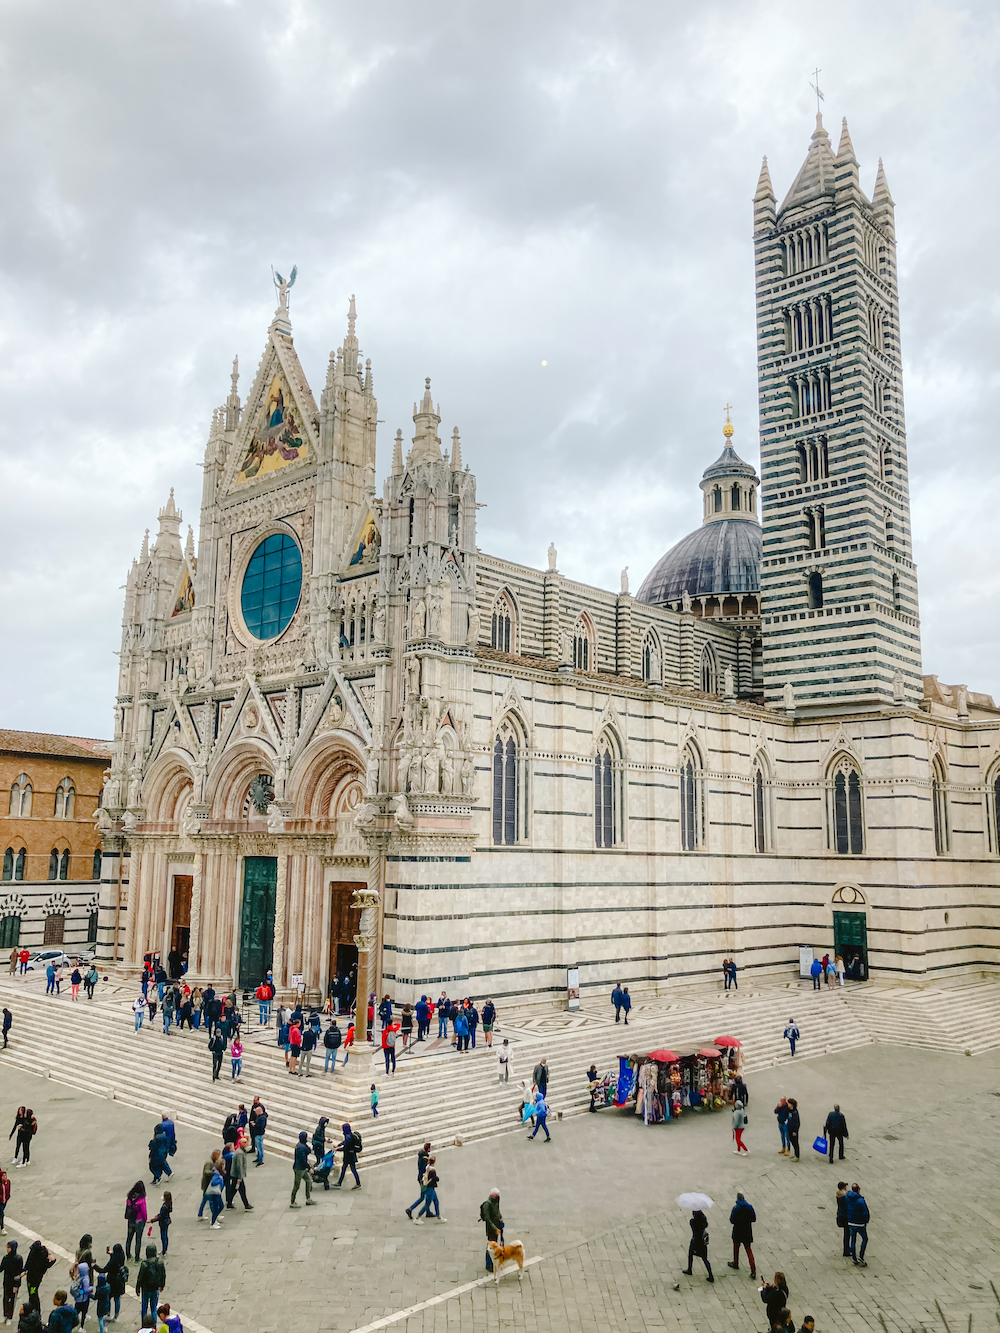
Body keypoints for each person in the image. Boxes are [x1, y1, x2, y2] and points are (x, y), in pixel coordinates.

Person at [727, 1193, 756, 1277]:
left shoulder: (735, 1208)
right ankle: (753, 1270)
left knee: (736, 1248)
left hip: (737, 1232)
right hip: (747, 1232)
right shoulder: (749, 1207)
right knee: (748, 1250)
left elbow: (732, 1220)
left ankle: (735, 1263)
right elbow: (754, 1219)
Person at [134, 1248, 164, 1325]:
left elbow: (140, 1277)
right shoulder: (159, 1262)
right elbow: (163, 1275)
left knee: (144, 1308)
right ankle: (154, 1325)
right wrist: (162, 1285)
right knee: (153, 1308)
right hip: (155, 1288)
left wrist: (137, 1289)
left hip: (146, 1289)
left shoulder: (144, 1264)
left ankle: (144, 1325)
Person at [96, 1247, 126, 1323]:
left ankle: (108, 1313)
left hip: (112, 1282)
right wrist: (111, 1253)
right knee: (117, 1299)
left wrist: (94, 1266)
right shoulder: (122, 1256)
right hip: (119, 1283)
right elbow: (116, 1255)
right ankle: (116, 1316)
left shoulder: (112, 1262)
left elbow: (103, 1270)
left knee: (108, 1297)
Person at [23, 1242, 56, 1313]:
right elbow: (47, 1265)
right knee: (32, 1293)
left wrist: (25, 1269)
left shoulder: (36, 1254)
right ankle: (33, 1306)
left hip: (33, 1279)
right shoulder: (40, 1254)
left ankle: (35, 1308)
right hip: (35, 1278)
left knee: (33, 1293)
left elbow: (29, 1262)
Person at [682, 1209, 713, 1281]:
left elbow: (693, 1229)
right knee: (705, 1259)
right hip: (703, 1243)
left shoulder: (693, 1222)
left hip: (696, 1242)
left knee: (690, 1253)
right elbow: (706, 1224)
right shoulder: (704, 1221)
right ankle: (710, 1275)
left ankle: (690, 1269)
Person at [405, 1144, 432, 1220]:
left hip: (420, 1178)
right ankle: (410, 1209)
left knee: (427, 1195)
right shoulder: (425, 1158)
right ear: (428, 1149)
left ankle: (428, 1211)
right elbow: (425, 1169)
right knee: (423, 1197)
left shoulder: (421, 1156)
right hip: (423, 1179)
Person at [288, 1133, 315, 1209]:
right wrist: (309, 1168)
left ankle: (308, 1199)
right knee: (296, 1185)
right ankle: (292, 1202)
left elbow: (308, 1150)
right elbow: (303, 1159)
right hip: (299, 1169)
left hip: (302, 1168)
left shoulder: (300, 1145)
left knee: (309, 1181)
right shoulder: (301, 1147)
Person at [846, 1182, 870, 1266]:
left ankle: (854, 1258)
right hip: (860, 1223)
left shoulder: (848, 1197)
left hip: (851, 1222)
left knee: (853, 1240)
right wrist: (865, 1221)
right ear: (858, 1190)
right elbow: (865, 1213)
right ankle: (861, 1256)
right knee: (865, 1239)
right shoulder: (861, 1200)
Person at [414, 1158, 445, 1222]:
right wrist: (436, 1178)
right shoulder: (432, 1170)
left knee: (436, 1201)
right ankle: (417, 1217)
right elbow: (434, 1179)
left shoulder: (427, 1167)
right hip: (430, 1188)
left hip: (429, 1188)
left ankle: (438, 1216)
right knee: (427, 1204)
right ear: (434, 1162)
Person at [480, 1190, 503, 1272]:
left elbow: (497, 1211)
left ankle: (493, 1263)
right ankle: (489, 1264)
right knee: (490, 1246)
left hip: (496, 1227)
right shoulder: (487, 1205)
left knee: (495, 1245)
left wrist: (500, 1218)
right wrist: (495, 1228)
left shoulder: (495, 1202)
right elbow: (488, 1219)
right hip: (491, 1229)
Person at [333, 1124, 361, 1189]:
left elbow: (345, 1147)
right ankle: (340, 1182)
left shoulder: (347, 1136)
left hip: (349, 1156)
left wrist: (337, 1149)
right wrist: (338, 1145)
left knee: (351, 1169)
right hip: (351, 1155)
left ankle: (357, 1183)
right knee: (347, 1169)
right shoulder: (350, 1135)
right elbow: (345, 1142)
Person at [1, 1241, 23, 1324]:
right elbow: (1, 1268)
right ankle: (5, 1315)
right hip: (6, 1282)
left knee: (12, 1300)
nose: (7, 1249)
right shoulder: (5, 1258)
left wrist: (16, 1285)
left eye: (9, 1247)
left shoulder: (18, 1259)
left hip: (13, 1283)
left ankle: (9, 1316)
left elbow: (19, 1273)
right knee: (5, 1299)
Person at [124, 1183, 146, 1260]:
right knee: (138, 1240)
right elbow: (143, 1211)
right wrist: (145, 1219)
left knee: (129, 1238)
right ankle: (137, 1257)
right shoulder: (141, 1199)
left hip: (131, 1220)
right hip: (139, 1221)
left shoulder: (130, 1197)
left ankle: (128, 1255)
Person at [835, 1180, 851, 1257]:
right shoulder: (844, 1197)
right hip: (845, 1217)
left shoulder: (839, 1195)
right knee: (847, 1233)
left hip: (841, 1216)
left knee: (847, 1233)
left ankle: (847, 1248)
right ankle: (846, 1250)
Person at [249, 1100, 267, 1166]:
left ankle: (261, 1160)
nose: (255, 1113)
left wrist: (254, 1124)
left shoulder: (262, 1118)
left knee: (260, 1147)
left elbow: (261, 1126)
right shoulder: (259, 1116)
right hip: (257, 1133)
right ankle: (258, 1158)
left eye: (256, 1112)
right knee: (258, 1147)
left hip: (259, 1134)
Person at [0, 1165, 9, 1232]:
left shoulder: (7, 1182)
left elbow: (8, 1191)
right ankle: (2, 1228)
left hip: (4, 1201)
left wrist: (7, 1198)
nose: (5, 1177)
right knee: (1, 1214)